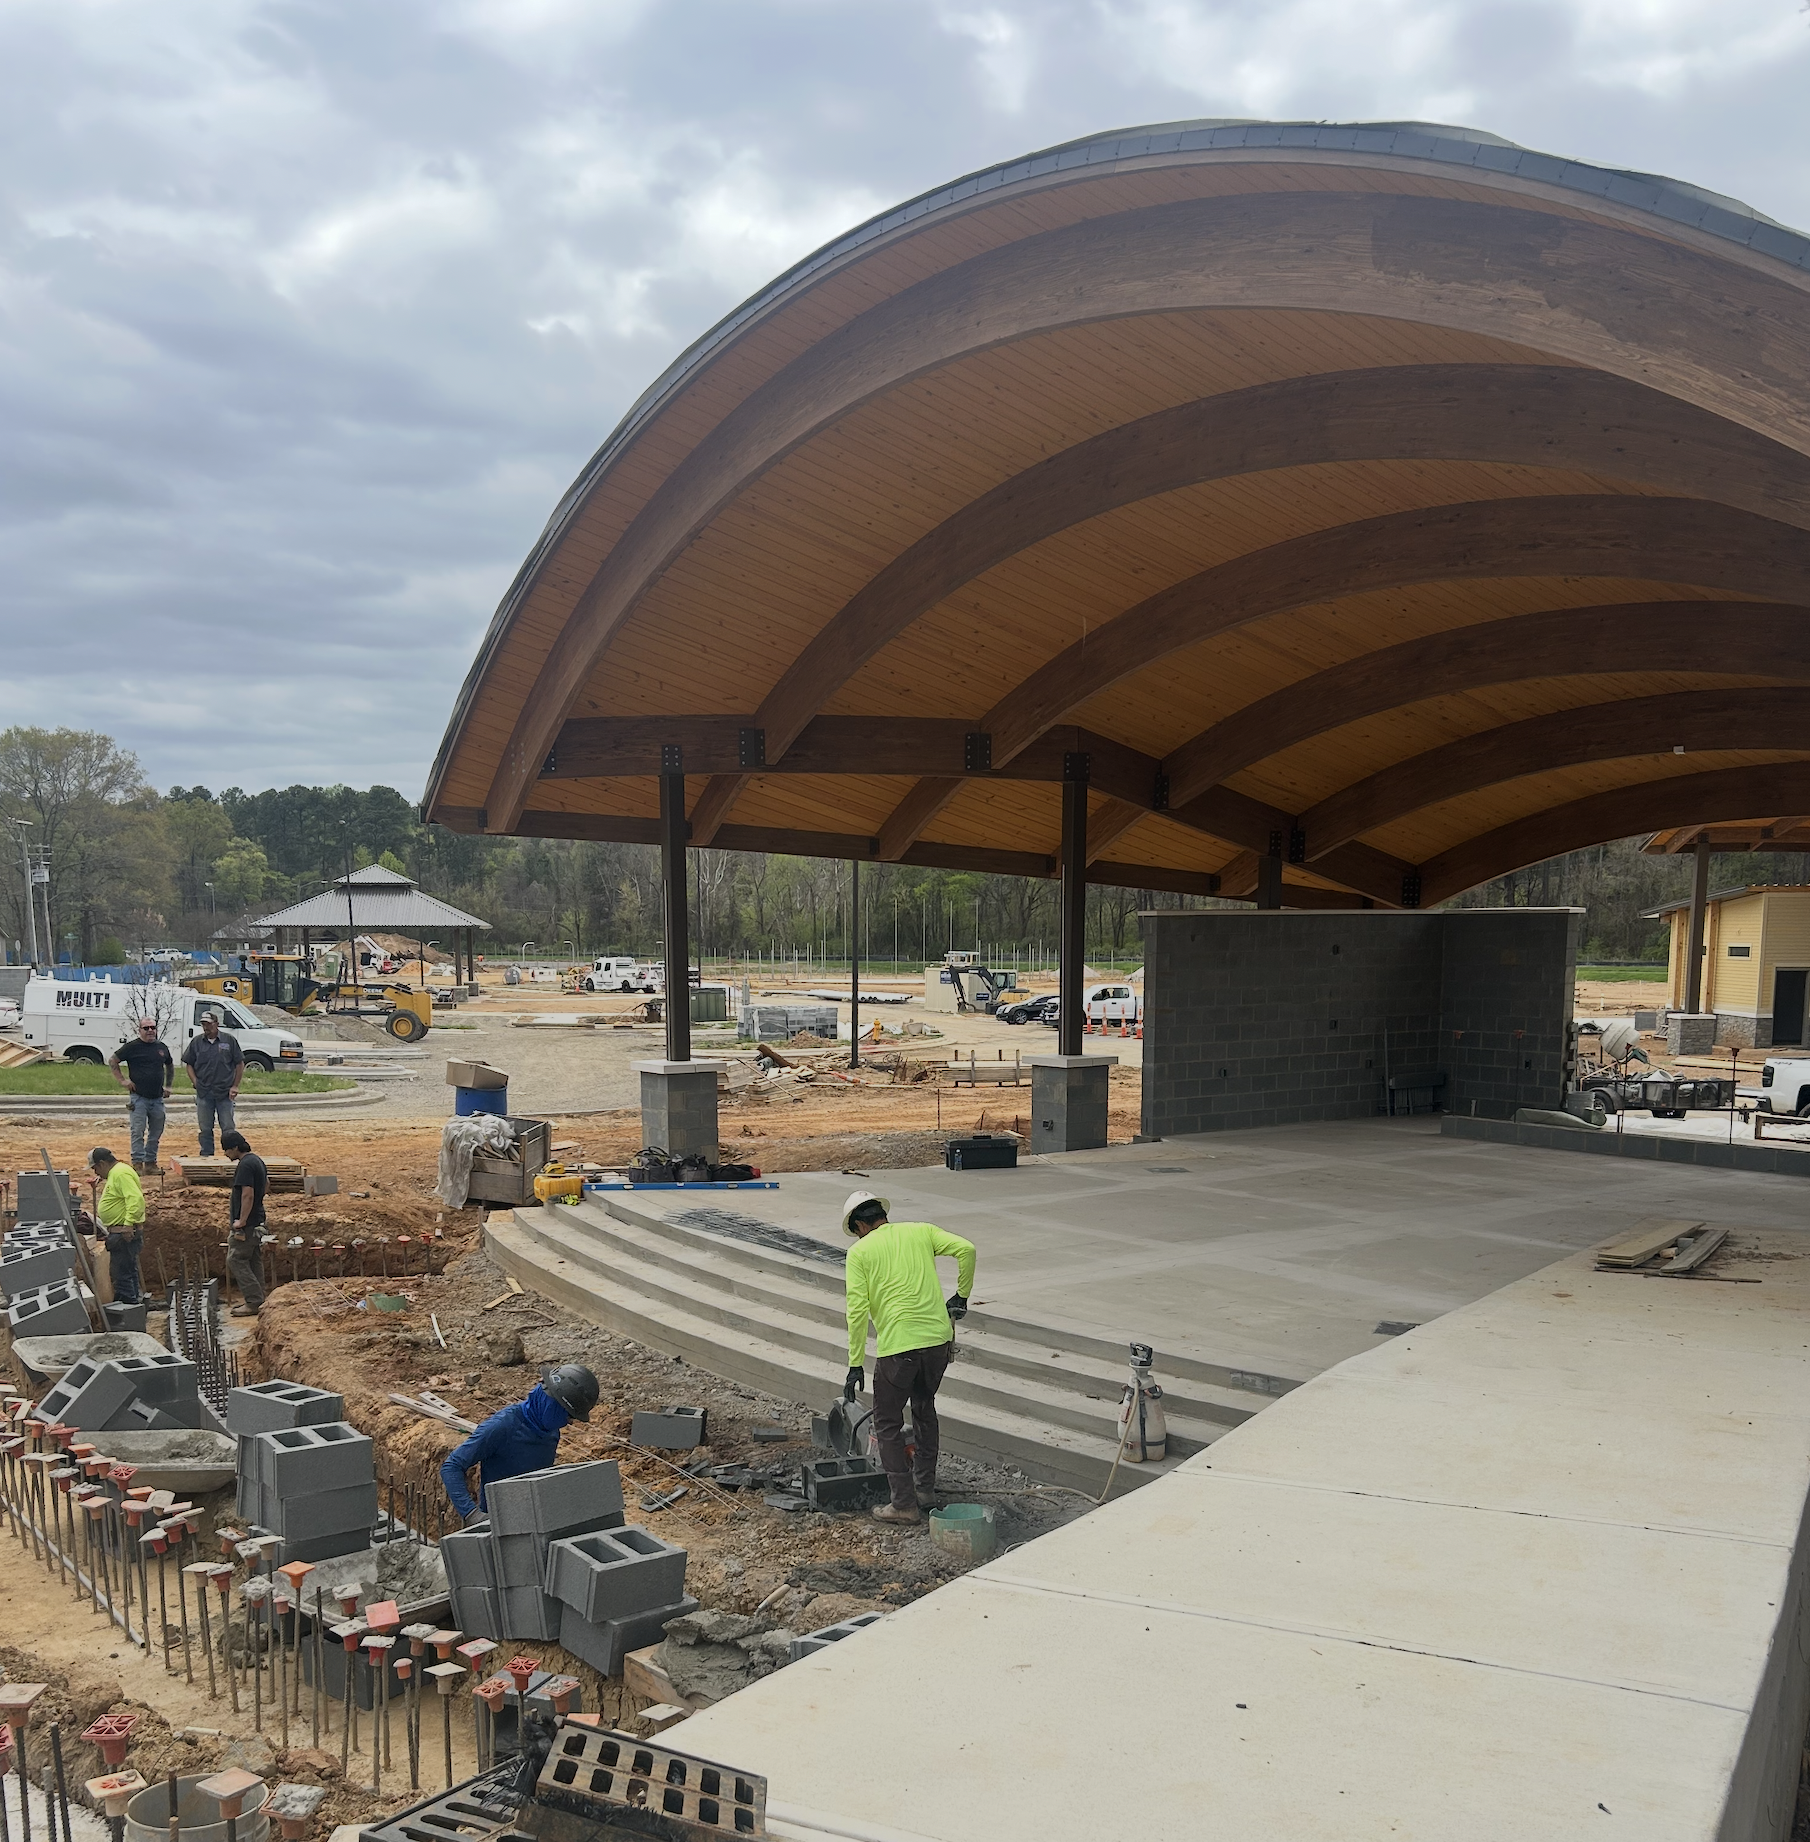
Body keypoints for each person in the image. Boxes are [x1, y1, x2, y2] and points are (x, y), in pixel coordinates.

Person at [840, 1190, 976, 1525]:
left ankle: (903, 1503)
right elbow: (967, 1249)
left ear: (859, 1225)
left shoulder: (860, 1252)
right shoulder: (921, 1231)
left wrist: (855, 1362)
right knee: (924, 1409)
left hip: (898, 1350)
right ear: (882, 1214)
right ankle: (925, 1490)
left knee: (886, 1423)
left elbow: (856, 1311)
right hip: (936, 1343)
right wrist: (961, 1295)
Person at [440, 1365, 601, 1524]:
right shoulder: (502, 1427)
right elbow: (452, 1466)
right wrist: (471, 1514)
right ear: (553, 1403)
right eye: (568, 1416)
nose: (568, 1423)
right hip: (500, 1524)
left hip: (533, 1518)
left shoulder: (550, 1430)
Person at [110, 1016, 175, 1173]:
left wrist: (168, 1086)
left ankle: (150, 1163)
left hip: (157, 1098)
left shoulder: (161, 1047)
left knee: (156, 1132)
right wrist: (122, 1081)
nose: (150, 1031)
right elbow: (113, 1061)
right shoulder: (132, 1047)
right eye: (146, 1028)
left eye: (153, 1027)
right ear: (139, 1030)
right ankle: (137, 1164)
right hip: (138, 1097)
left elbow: (170, 1065)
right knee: (138, 1131)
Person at [86, 1146, 147, 1306]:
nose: (96, 1173)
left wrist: (127, 1225)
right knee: (128, 1271)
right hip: (121, 1232)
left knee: (122, 1275)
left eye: (95, 1168)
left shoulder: (120, 1173)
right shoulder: (117, 1172)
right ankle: (135, 1306)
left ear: (102, 1163)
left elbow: (135, 1199)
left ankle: (128, 1310)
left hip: (123, 1233)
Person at [181, 1009, 244, 1156]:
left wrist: (235, 1086)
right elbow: (189, 1063)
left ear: (216, 1024)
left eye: (208, 1024)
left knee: (228, 1127)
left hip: (224, 1092)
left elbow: (239, 1063)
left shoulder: (229, 1041)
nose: (206, 1027)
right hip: (204, 1092)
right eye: (203, 1024)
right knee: (205, 1128)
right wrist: (195, 1081)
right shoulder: (197, 1042)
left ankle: (231, 1154)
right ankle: (206, 1156)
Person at [221, 1128, 268, 1317]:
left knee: (236, 1259)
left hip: (248, 1224)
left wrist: (241, 1220)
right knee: (253, 1258)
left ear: (234, 1147)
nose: (225, 1154)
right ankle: (259, 1298)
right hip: (257, 1220)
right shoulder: (256, 1160)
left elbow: (247, 1194)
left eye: (226, 1150)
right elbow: (266, 1185)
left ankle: (254, 1301)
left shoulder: (245, 1165)